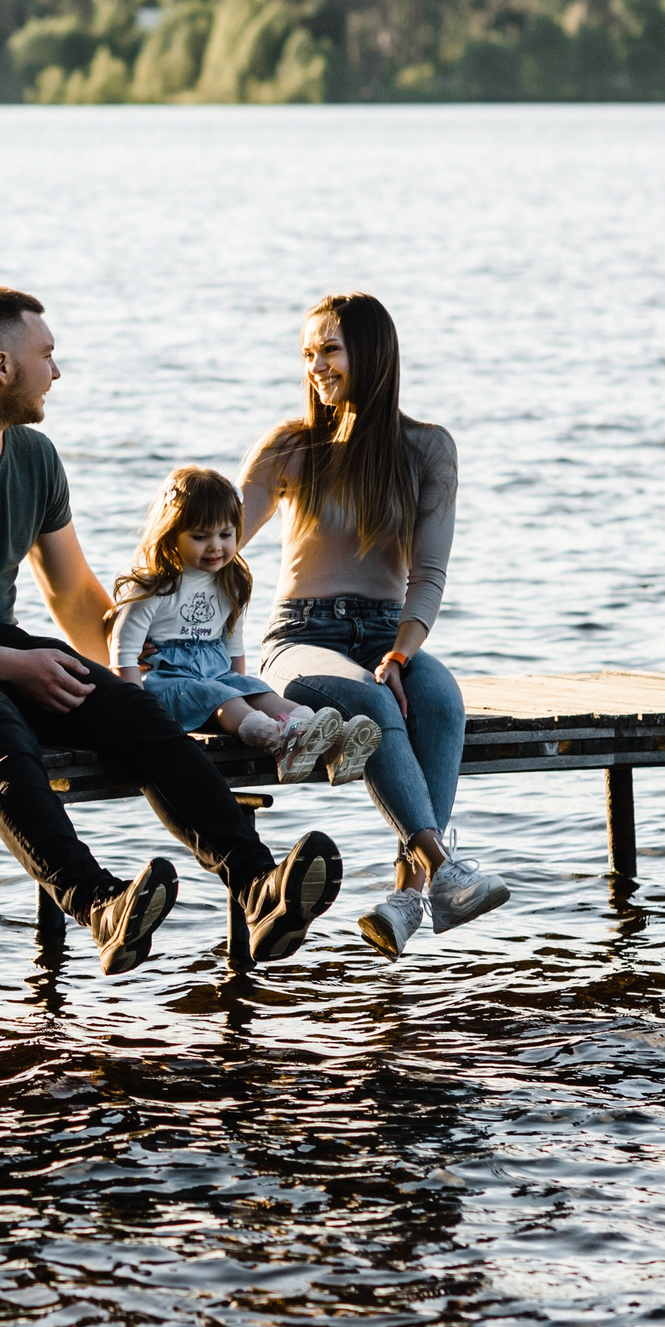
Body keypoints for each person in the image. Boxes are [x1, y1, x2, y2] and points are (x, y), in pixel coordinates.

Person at [0, 285, 343, 974]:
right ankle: (99, 902)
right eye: (47, 355)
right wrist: (15, 668)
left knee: (129, 707)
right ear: (2, 366)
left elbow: (75, 597)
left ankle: (259, 886)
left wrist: (158, 669)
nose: (57, 371)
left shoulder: (35, 459)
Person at [239, 292, 509, 959]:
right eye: (307, 354)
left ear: (372, 352)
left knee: (441, 697)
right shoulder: (291, 447)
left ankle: (405, 895)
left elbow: (429, 573)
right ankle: (441, 870)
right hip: (299, 639)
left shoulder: (427, 449)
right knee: (366, 700)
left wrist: (402, 650)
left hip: (387, 633)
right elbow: (216, 539)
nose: (316, 367)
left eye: (328, 349)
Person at [109, 464, 369, 786]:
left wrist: (244, 686)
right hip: (170, 684)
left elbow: (234, 646)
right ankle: (279, 741)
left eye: (225, 535)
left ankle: (329, 737)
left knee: (259, 693)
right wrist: (139, 711)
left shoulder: (229, 583)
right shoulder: (155, 586)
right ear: (172, 532)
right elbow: (124, 651)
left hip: (217, 676)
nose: (215, 546)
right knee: (226, 698)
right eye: (200, 536)